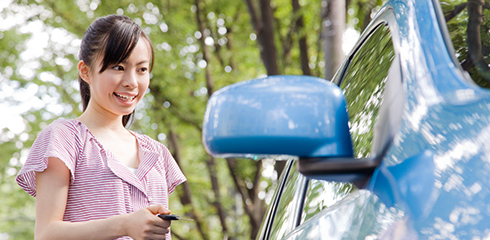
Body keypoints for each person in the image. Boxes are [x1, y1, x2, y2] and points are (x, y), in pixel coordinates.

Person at [16, 15, 186, 240]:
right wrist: (124, 225)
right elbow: (46, 233)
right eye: (118, 66)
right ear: (85, 71)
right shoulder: (64, 139)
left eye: (142, 69)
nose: (132, 82)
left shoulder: (157, 153)